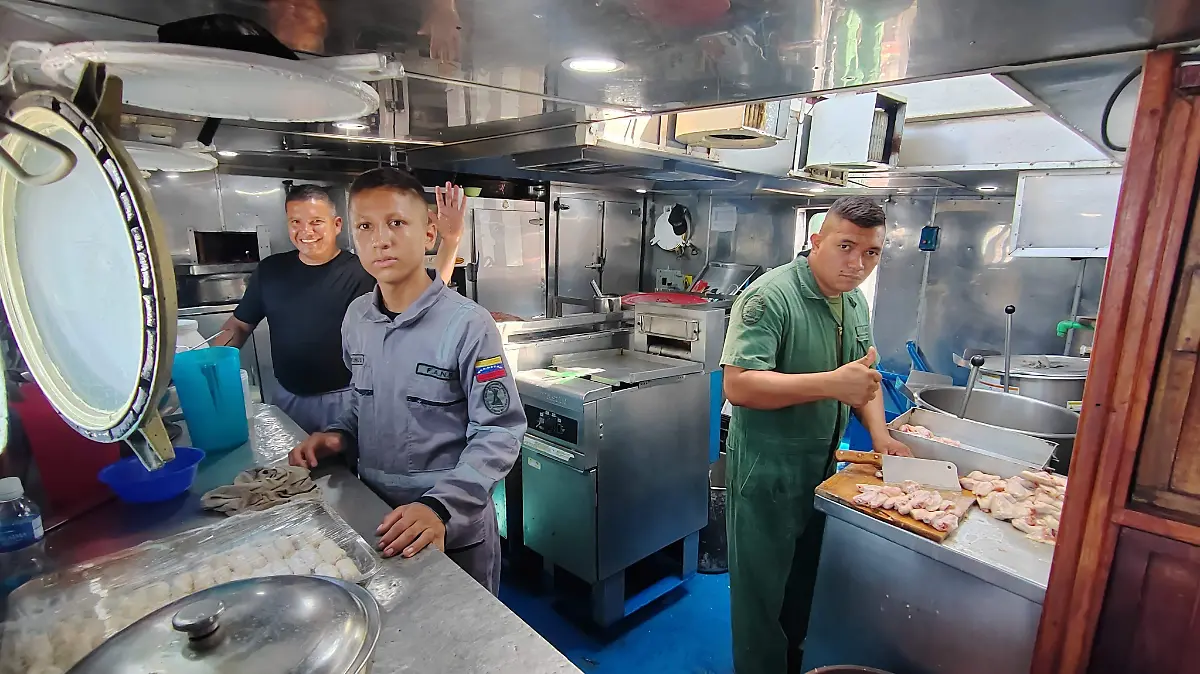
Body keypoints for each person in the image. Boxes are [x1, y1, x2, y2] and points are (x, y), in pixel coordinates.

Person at [287, 168, 524, 595]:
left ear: (430, 232)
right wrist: (337, 437)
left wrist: (439, 507)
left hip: (450, 527)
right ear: (353, 238)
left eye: (397, 223)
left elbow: (499, 432)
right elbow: (362, 401)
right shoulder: (357, 318)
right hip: (375, 517)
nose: (381, 239)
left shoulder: (468, 325)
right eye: (365, 226)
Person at [721, 196, 911, 674]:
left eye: (871, 253)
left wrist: (880, 433)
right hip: (766, 472)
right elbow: (739, 384)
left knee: (804, 580)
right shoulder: (770, 297)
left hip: (824, 466)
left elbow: (863, 376)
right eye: (846, 247)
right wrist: (831, 384)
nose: (858, 264)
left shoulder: (853, 301)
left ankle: (794, 661)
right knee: (760, 596)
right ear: (817, 241)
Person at [216, 182, 465, 433]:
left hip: (349, 400)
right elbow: (239, 324)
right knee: (291, 469)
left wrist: (451, 240)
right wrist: (205, 361)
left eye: (316, 222)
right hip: (286, 398)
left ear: (336, 225)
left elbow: (427, 294)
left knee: (345, 470)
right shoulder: (270, 271)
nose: (306, 231)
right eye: (296, 222)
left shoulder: (364, 269)